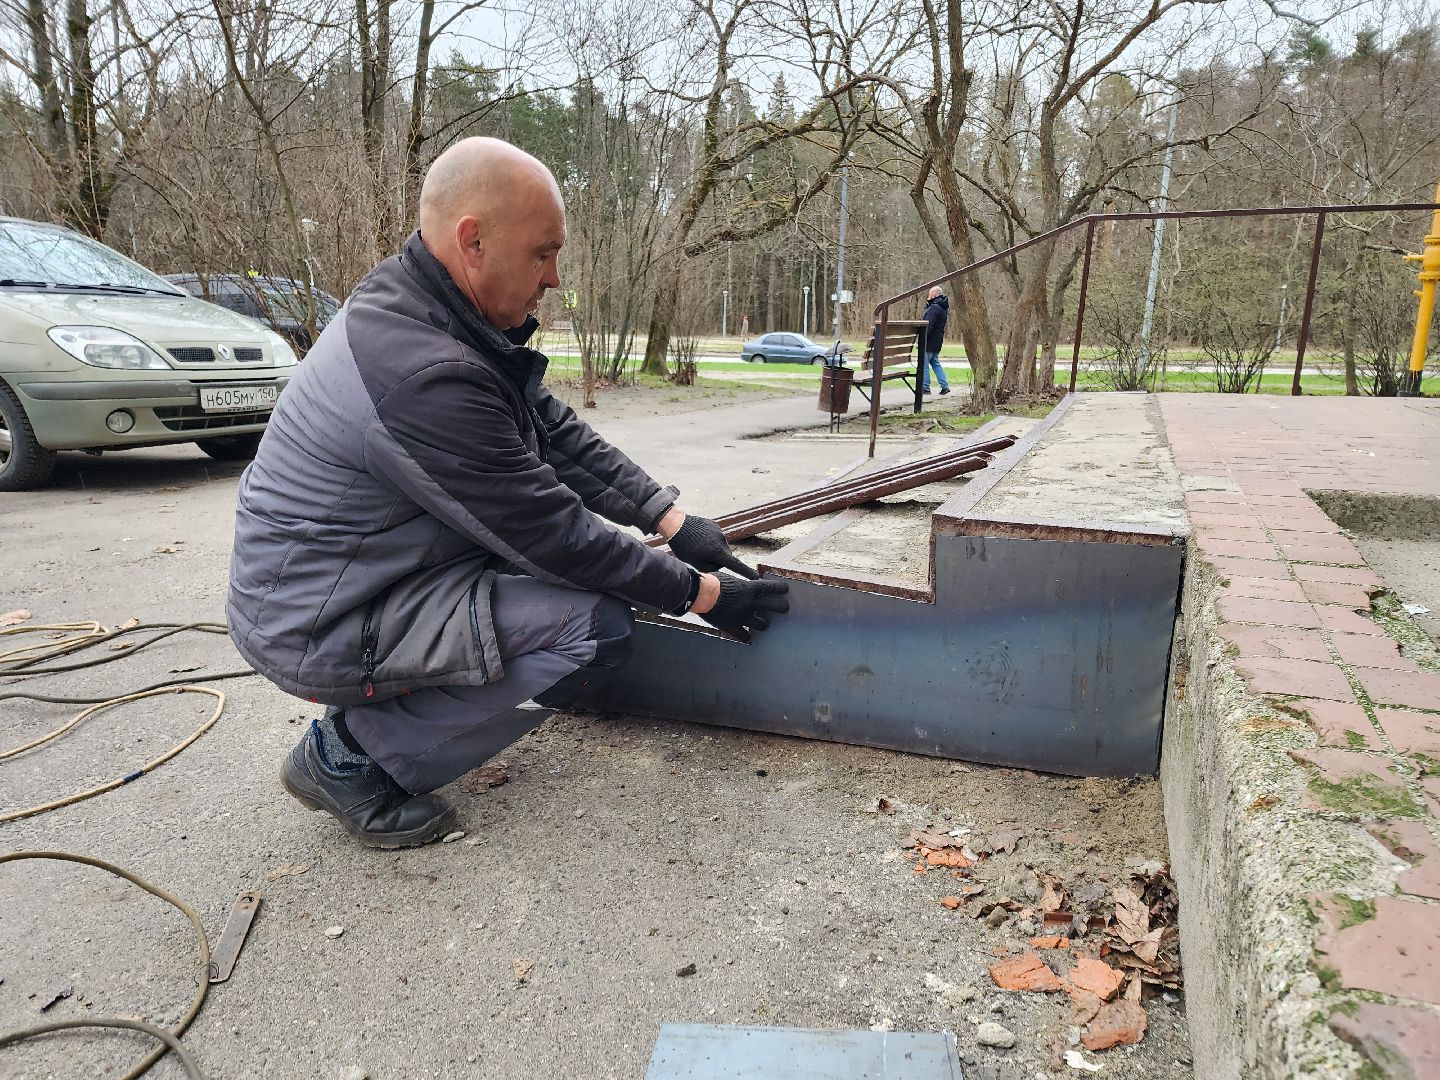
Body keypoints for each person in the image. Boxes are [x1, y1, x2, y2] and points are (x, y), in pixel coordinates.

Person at [226, 137, 789, 849]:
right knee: (592, 628)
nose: (554, 277)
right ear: (473, 241)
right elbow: (553, 534)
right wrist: (700, 595)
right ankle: (350, 757)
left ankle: (384, 723)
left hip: (359, 578)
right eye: (543, 253)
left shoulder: (426, 307)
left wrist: (669, 519)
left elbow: (548, 430)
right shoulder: (423, 374)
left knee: (559, 593)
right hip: (320, 616)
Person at [921, 286, 951, 396]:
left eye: (929, 295)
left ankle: (925, 387)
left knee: (923, 365)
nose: (928, 297)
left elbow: (928, 325)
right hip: (938, 340)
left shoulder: (934, 308)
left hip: (929, 341)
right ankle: (944, 386)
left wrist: (922, 338)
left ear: (934, 295)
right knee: (935, 363)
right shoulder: (943, 307)